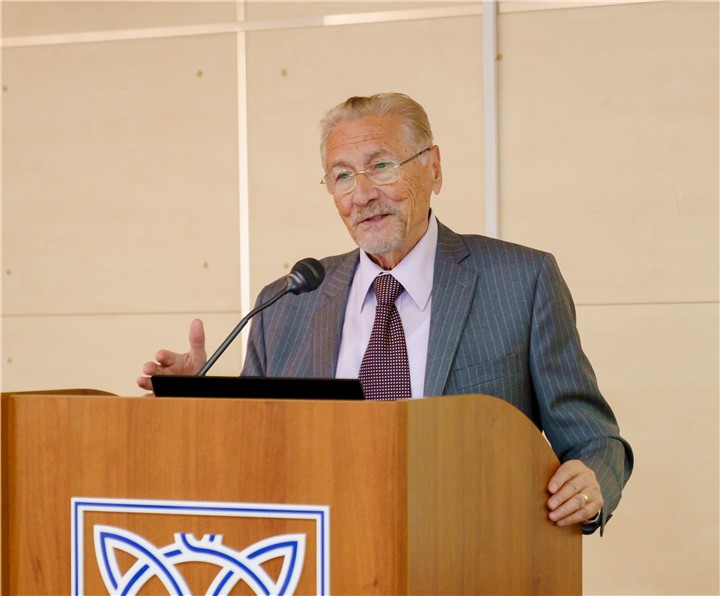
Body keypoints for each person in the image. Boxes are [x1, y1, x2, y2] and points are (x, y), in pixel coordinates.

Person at [138, 92, 633, 535]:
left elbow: (595, 440)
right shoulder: (286, 304)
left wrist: (592, 482)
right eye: (342, 176)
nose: (362, 194)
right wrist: (192, 404)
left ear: (434, 168)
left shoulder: (521, 282)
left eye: (381, 166)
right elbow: (249, 456)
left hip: (467, 558)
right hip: (323, 562)